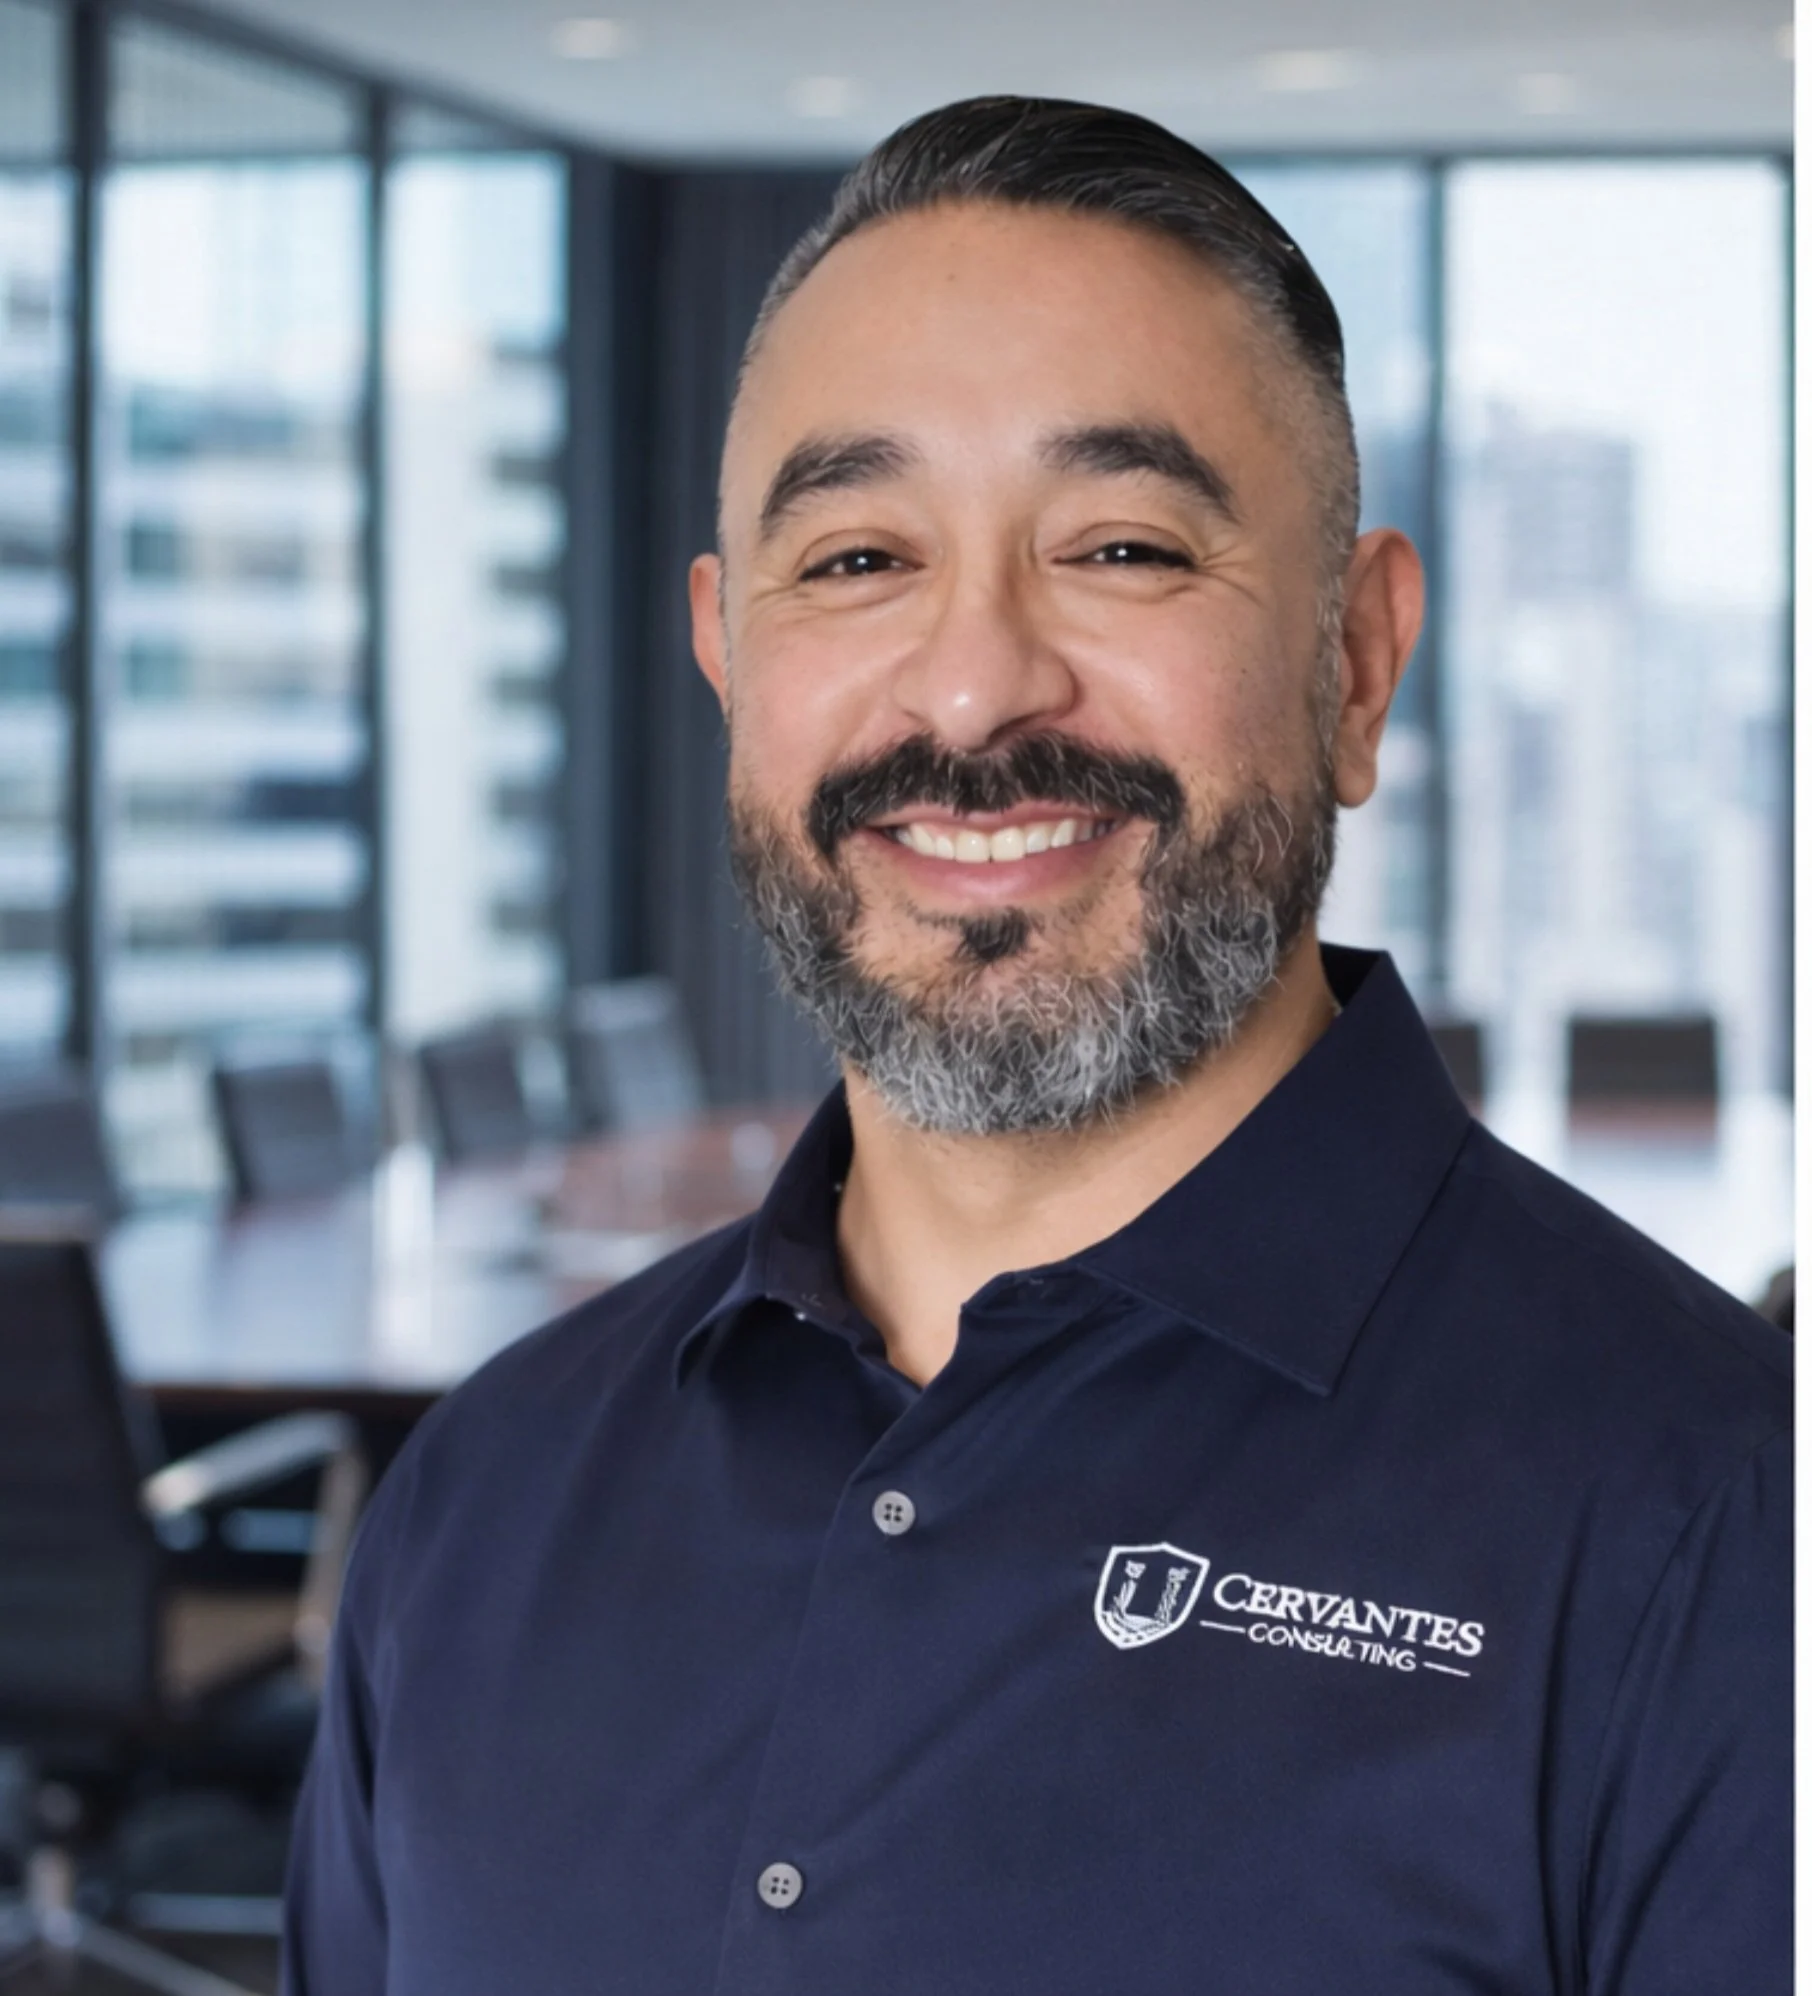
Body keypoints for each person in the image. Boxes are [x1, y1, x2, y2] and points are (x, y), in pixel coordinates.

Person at [283, 98, 1789, 1995]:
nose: (979, 681)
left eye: (1125, 546)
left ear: (1355, 660)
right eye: (852, 562)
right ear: (727, 658)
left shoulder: (1721, 1537)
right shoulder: (480, 1507)